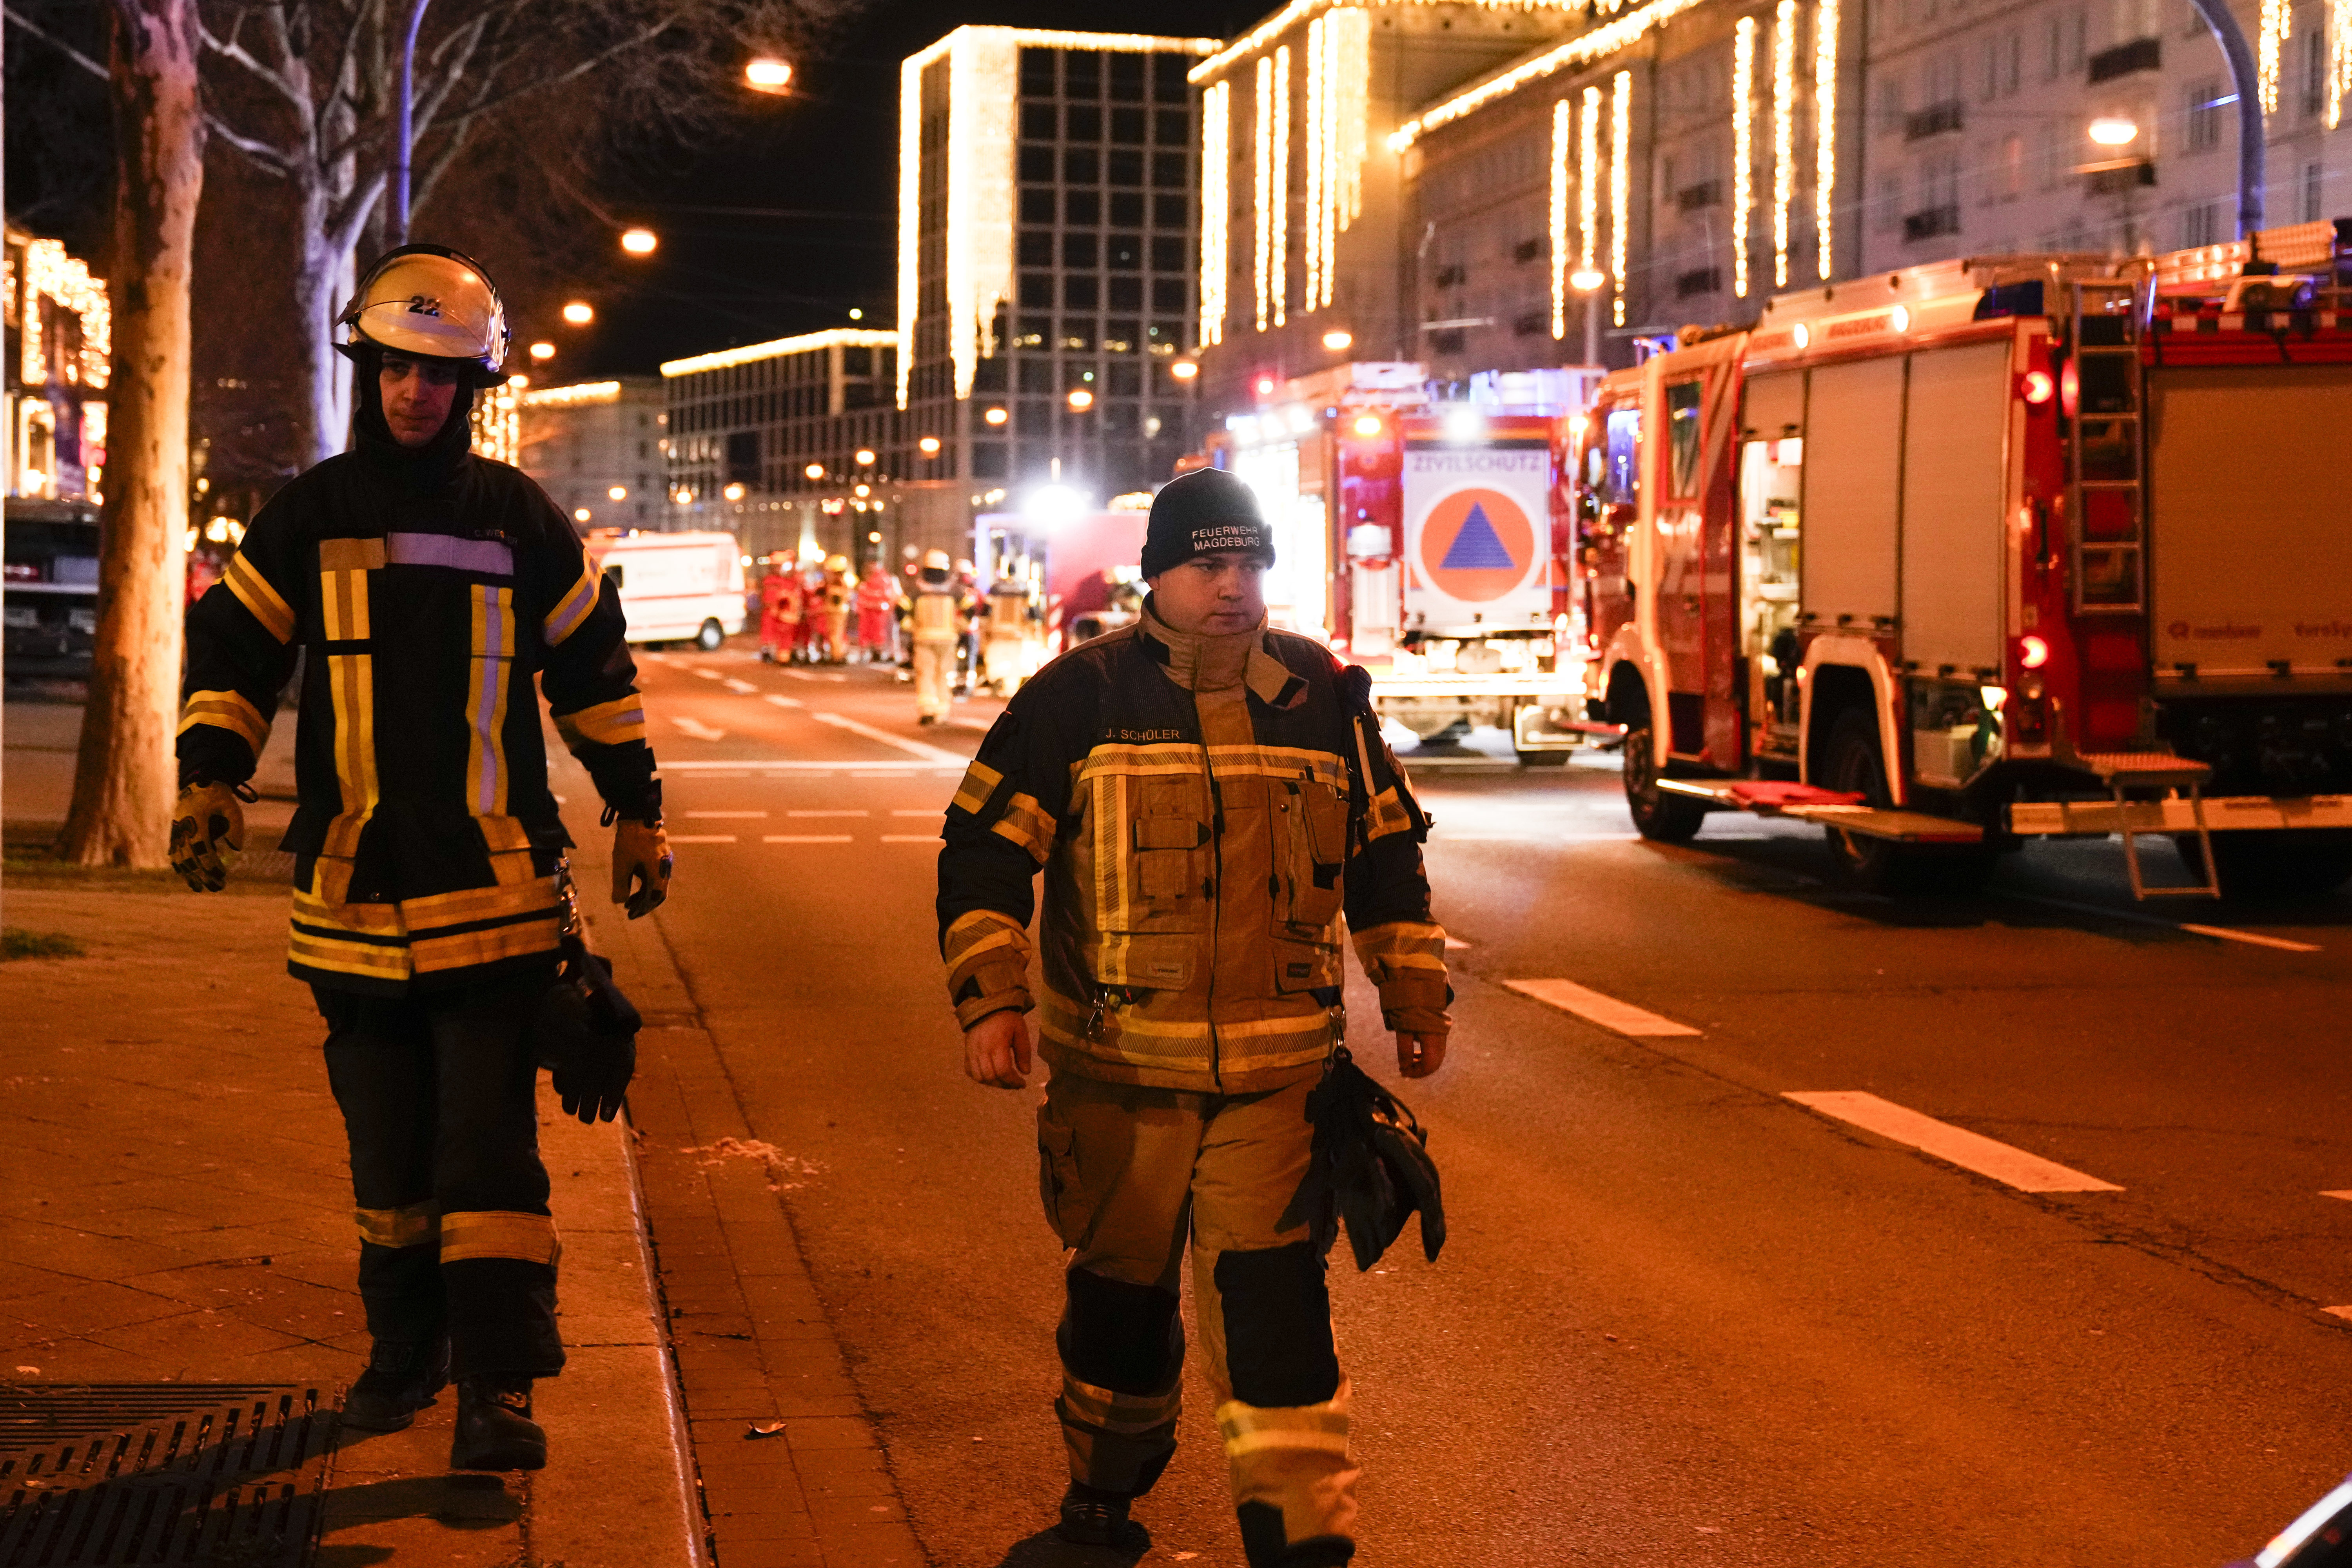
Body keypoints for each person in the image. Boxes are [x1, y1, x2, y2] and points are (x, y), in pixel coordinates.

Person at [168, 243, 673, 1473]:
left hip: (492, 901)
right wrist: (208, 782)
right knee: (388, 1170)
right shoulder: (310, 514)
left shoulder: (519, 521)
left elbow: (592, 675)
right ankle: (402, 1357)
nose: (415, 395)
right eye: (397, 369)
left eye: (440, 377)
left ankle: (496, 1389)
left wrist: (638, 806)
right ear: (369, 371)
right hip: (348, 902)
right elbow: (232, 652)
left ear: (472, 388)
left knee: (487, 1163)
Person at [935, 467, 1451, 1566]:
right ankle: (1100, 1504)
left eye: (1250, 564)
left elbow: (1386, 855)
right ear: (1154, 576)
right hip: (1117, 1084)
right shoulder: (1076, 698)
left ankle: (1306, 1541)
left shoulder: (1324, 695)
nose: (1233, 588)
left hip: (1277, 1090)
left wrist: (1415, 994)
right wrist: (992, 998)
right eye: (1208, 566)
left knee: (1274, 1318)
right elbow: (983, 854)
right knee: (1118, 1311)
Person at [909, 549, 968, 724]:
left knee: (925, 674)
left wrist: (910, 627)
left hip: (923, 638)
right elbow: (971, 608)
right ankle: (942, 712)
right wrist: (961, 627)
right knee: (944, 675)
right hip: (948, 639)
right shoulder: (955, 590)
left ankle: (927, 709)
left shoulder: (916, 589)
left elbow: (901, 609)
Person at [854, 560, 900, 664]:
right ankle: (876, 653)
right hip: (874, 613)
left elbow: (890, 597)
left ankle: (880, 653)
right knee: (874, 634)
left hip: (879, 613)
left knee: (878, 634)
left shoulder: (885, 581)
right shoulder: (868, 584)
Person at [758, 558, 795, 663]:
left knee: (776, 634)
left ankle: (776, 654)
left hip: (779, 611)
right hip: (770, 610)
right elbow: (764, 596)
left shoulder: (783, 581)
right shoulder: (768, 580)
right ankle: (768, 652)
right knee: (768, 632)